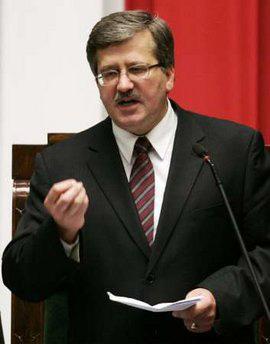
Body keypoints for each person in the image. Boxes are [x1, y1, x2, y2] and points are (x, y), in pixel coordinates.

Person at [2, 10, 270, 344]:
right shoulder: (62, 163)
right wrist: (61, 233)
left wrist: (220, 297)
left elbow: (265, 251)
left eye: (137, 69)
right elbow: (23, 279)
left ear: (169, 74)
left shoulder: (233, 150)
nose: (123, 84)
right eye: (109, 73)